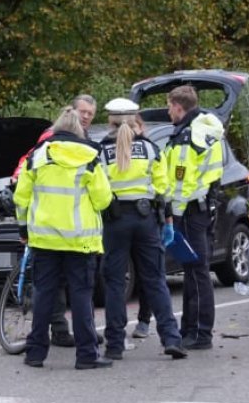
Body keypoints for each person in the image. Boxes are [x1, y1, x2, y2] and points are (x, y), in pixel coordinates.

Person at [14, 106, 113, 369]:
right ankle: (86, 355)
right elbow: (103, 200)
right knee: (81, 297)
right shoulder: (90, 156)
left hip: (44, 239)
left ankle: (35, 354)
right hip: (80, 241)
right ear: (79, 131)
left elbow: (21, 197)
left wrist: (23, 229)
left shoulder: (37, 157)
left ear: (55, 130)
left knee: (44, 295)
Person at [99, 98, 187, 360]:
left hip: (114, 221)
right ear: (134, 119)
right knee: (155, 279)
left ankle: (114, 344)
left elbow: (98, 190)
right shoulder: (150, 149)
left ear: (110, 121)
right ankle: (172, 339)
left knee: (115, 283)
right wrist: (167, 218)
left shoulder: (101, 151)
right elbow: (164, 188)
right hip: (146, 219)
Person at [164, 86, 225, 351]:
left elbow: (181, 181)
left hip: (188, 210)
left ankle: (200, 333)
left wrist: (172, 214)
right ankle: (191, 329)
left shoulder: (188, 137)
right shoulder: (204, 130)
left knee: (197, 271)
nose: (168, 112)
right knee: (193, 271)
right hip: (202, 207)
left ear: (178, 106)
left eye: (169, 107)